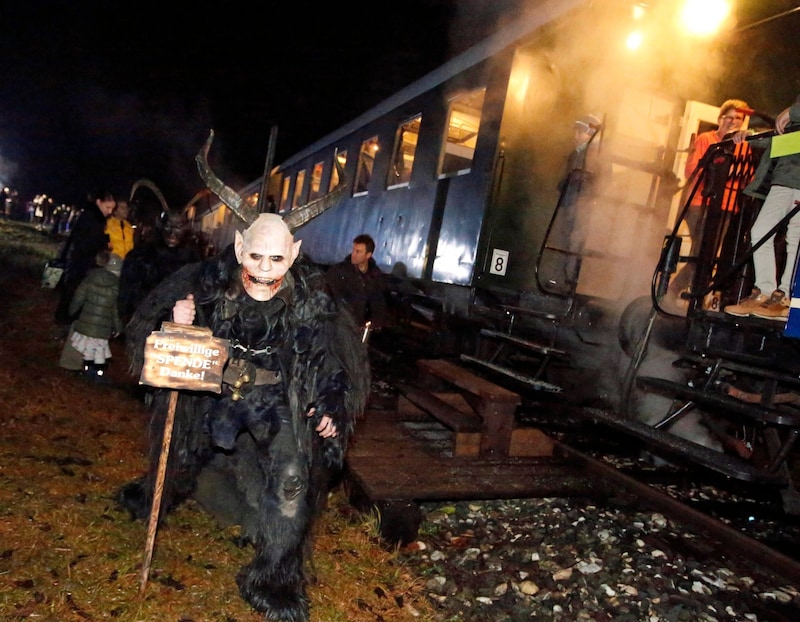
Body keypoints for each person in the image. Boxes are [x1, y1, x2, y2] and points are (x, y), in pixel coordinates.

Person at [117, 212, 369, 621]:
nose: (265, 270)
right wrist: (180, 322)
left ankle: (271, 579)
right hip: (213, 387)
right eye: (255, 257)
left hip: (270, 396)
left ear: (294, 254)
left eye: (276, 259)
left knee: (292, 474)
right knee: (182, 451)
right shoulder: (206, 283)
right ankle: (158, 494)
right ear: (238, 249)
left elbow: (331, 364)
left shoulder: (312, 299)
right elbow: (157, 346)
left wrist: (329, 403)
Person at [724, 97, 800, 321]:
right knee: (760, 232)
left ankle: (785, 297)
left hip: (793, 179)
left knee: (795, 238)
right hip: (784, 177)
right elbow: (786, 143)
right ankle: (766, 292)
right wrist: (750, 136)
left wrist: (793, 111)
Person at [667, 99, 751, 300]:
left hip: (727, 206)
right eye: (729, 117)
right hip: (700, 204)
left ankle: (689, 295)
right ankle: (678, 293)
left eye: (738, 118)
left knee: (709, 255)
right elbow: (691, 169)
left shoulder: (744, 147)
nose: (733, 121)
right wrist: (719, 170)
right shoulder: (707, 139)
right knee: (701, 253)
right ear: (720, 119)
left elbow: (748, 176)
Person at [59, 250, 123, 382]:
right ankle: (95, 374)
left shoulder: (90, 278)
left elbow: (78, 297)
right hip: (103, 327)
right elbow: (115, 310)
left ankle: (72, 366)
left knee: (80, 343)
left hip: (85, 320)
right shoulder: (116, 286)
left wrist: (72, 311)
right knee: (98, 349)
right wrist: (118, 327)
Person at [54, 189, 115, 324]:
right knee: (73, 290)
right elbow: (88, 239)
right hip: (81, 259)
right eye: (108, 207)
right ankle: (64, 317)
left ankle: (66, 316)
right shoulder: (92, 217)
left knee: (74, 289)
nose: (110, 211)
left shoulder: (94, 216)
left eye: (112, 208)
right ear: (99, 202)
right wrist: (104, 242)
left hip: (82, 258)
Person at [325, 233, 389, 330]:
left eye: (358, 252)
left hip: (358, 327)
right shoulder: (338, 271)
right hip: (339, 325)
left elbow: (378, 302)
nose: (353, 254)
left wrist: (375, 322)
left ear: (368, 255)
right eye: (353, 250)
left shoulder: (375, 276)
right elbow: (327, 296)